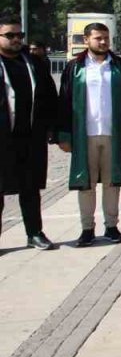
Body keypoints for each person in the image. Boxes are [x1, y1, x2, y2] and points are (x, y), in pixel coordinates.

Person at [57, 22, 121, 247]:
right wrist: (63, 135)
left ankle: (111, 226)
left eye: (105, 38)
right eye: (98, 38)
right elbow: (64, 102)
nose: (103, 42)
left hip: (113, 133)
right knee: (86, 183)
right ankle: (87, 229)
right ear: (86, 40)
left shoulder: (118, 66)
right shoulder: (75, 67)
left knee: (113, 182)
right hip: (85, 135)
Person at [0, 16, 58, 251]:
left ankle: (34, 232)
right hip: (3, 139)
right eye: (10, 35)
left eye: (19, 36)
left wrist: (52, 128)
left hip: (31, 137)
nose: (16, 40)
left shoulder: (33, 62)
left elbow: (50, 97)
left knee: (31, 188)